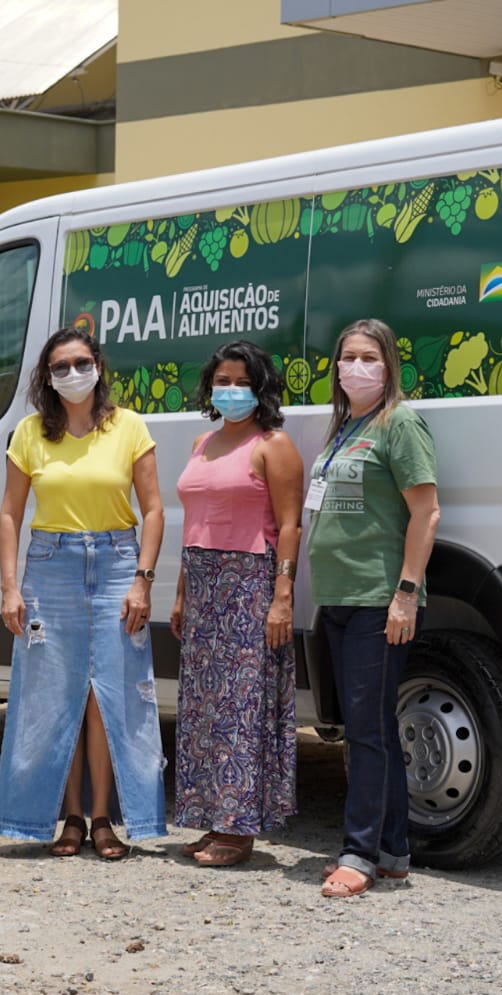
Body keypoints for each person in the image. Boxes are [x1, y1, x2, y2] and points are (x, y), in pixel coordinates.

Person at [0, 327, 166, 859]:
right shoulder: (28, 433)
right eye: (60, 366)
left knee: (109, 695)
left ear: (98, 366)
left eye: (81, 362)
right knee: (54, 695)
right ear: (47, 376)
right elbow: (10, 514)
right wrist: (8, 588)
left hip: (117, 564)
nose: (72, 373)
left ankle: (104, 817)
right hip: (50, 566)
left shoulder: (129, 426)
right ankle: (69, 818)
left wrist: (143, 578)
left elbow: (153, 509)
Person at [306, 318, 440, 898]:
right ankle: (393, 852)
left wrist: (405, 594)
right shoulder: (345, 425)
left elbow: (426, 512)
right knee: (371, 728)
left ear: (389, 365)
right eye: (346, 357)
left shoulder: (399, 423)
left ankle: (358, 854)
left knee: (365, 732)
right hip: (338, 598)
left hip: (376, 599)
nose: (355, 366)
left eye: (368, 357)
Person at [169, 340, 303, 867]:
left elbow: (290, 524)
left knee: (241, 707)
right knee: (203, 709)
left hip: (249, 582)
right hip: (203, 584)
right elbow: (194, 523)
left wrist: (283, 596)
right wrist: (181, 593)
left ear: (260, 387)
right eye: (221, 381)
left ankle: (240, 828)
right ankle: (211, 816)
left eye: (241, 382)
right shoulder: (202, 442)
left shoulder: (274, 445)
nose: (230, 390)